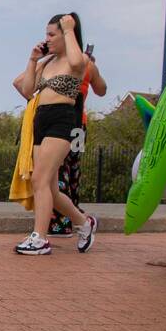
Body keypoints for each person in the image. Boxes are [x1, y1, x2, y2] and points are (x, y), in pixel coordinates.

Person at [10, 13, 97, 255]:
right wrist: (32, 60)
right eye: (46, 34)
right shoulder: (47, 63)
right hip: (41, 118)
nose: (47, 39)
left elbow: (80, 64)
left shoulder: (75, 61)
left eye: (52, 34)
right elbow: (26, 90)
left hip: (62, 119)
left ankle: (40, 238)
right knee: (51, 189)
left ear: (65, 34)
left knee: (39, 179)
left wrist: (69, 28)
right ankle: (84, 222)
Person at [48, 25, 106, 235]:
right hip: (79, 125)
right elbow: (102, 89)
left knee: (57, 171)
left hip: (61, 122)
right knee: (73, 170)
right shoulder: (87, 64)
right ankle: (73, 216)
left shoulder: (64, 63)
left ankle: (61, 221)